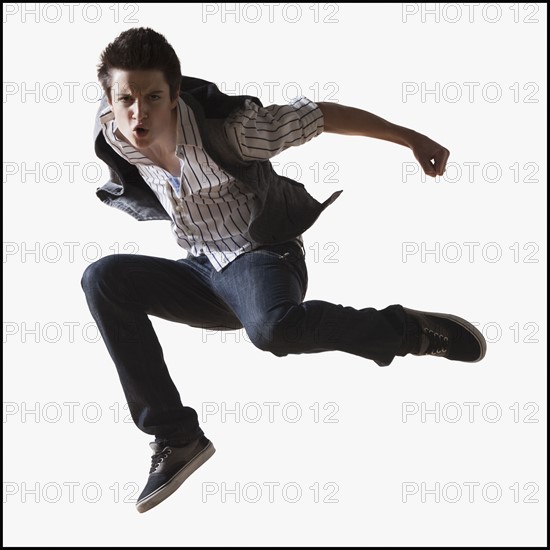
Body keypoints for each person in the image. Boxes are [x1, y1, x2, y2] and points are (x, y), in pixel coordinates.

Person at [82, 27, 487, 513]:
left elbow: (319, 115)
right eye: (126, 98)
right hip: (201, 270)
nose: (139, 113)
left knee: (273, 329)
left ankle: (406, 331)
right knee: (102, 277)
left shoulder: (234, 132)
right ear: (109, 97)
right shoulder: (113, 130)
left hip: (262, 255)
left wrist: (410, 138)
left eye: (153, 97)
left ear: (174, 96)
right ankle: (177, 438)